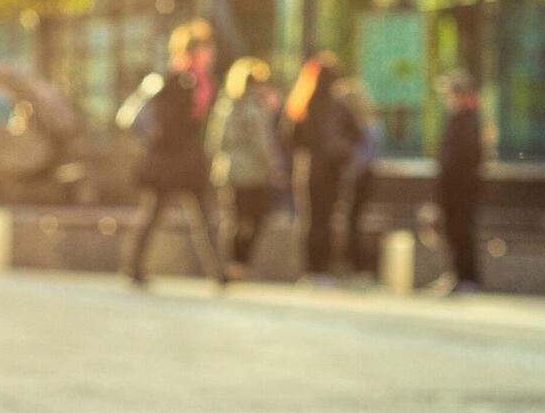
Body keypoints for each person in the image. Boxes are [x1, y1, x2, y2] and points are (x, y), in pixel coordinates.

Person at [118, 20, 226, 289]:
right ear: (194, 51)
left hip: (187, 162)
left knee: (203, 216)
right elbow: (170, 124)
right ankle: (133, 267)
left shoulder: (202, 82)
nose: (209, 54)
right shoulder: (177, 81)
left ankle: (219, 272)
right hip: (170, 162)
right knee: (155, 214)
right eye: (205, 48)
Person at [285, 54, 362, 287]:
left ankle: (312, 269)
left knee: (311, 220)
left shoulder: (303, 103)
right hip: (331, 170)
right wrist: (342, 153)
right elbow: (358, 135)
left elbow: (290, 137)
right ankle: (324, 269)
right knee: (326, 220)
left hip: (309, 169)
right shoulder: (338, 106)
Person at [208, 56, 282, 280]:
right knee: (256, 218)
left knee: (234, 218)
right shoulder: (255, 107)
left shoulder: (225, 105)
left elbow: (214, 142)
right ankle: (240, 263)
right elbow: (263, 142)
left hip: (228, 171)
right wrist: (274, 165)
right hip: (253, 172)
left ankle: (231, 264)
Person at [433, 72, 482, 295]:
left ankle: (466, 277)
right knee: (453, 231)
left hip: (461, 187)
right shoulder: (456, 120)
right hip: (452, 186)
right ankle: (457, 275)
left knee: (461, 231)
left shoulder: (467, 120)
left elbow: (467, 158)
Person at [338, 79, 380, 279]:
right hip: (365, 176)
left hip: (359, 177)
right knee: (353, 220)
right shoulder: (371, 124)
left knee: (353, 220)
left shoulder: (364, 127)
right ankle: (355, 264)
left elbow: (363, 156)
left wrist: (349, 173)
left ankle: (358, 265)